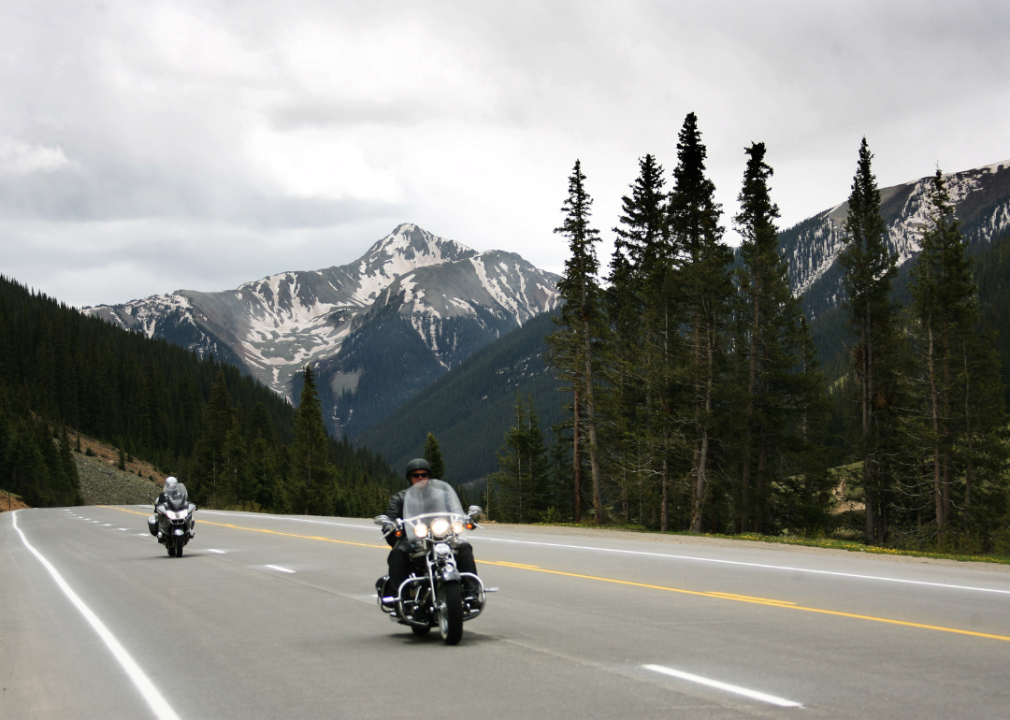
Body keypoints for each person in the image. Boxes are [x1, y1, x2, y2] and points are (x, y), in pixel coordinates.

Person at [382, 458, 479, 606]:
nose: (420, 478)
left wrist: (465, 520)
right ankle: (399, 597)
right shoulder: (400, 498)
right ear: (410, 477)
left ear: (429, 476)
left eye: (424, 474)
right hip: (414, 538)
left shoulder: (442, 495)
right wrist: (390, 525)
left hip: (442, 536)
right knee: (399, 551)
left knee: (464, 547)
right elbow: (391, 518)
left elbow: (455, 511)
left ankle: (472, 594)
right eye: (416, 475)